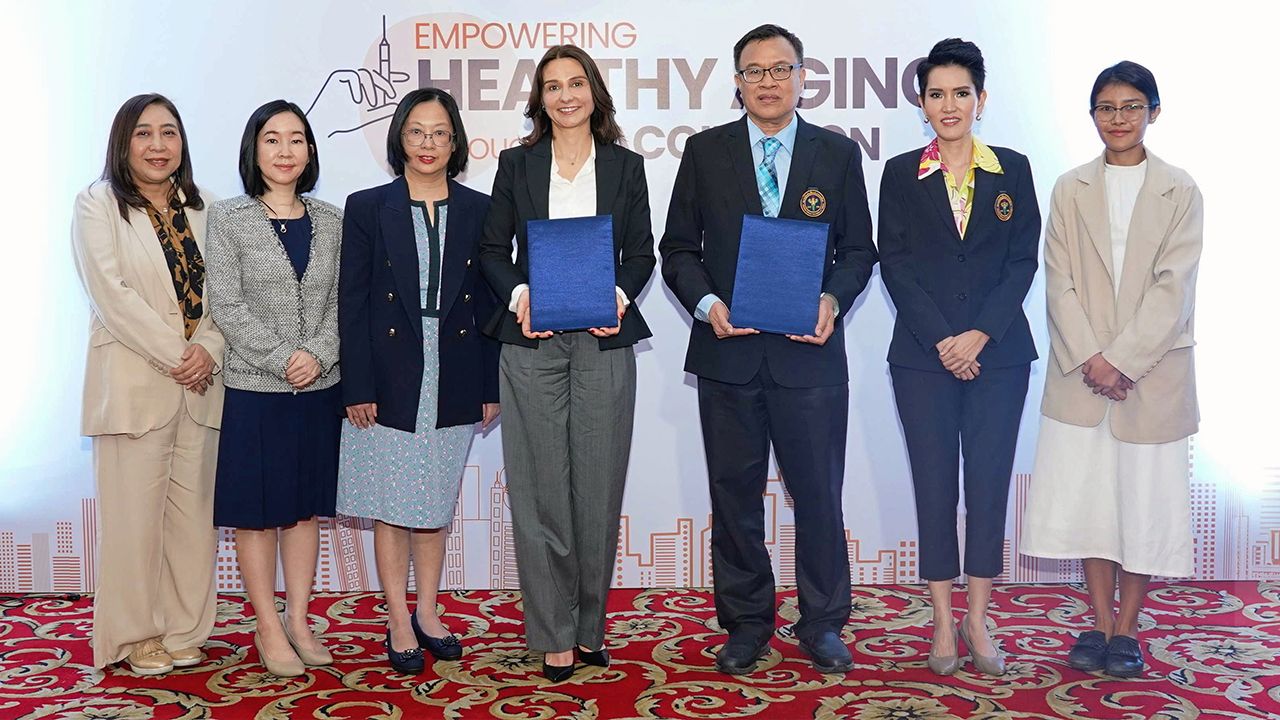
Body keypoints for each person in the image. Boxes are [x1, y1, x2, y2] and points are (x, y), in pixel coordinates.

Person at [658, 24, 877, 675]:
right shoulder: (705, 152)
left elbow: (859, 251)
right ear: (737, 81)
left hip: (809, 358)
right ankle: (747, 622)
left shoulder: (836, 156)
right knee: (735, 497)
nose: (768, 82)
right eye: (754, 71)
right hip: (728, 357)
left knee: (818, 496)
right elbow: (678, 250)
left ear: (802, 77)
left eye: (780, 69)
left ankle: (822, 621)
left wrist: (832, 301)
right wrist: (707, 306)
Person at [479, 44, 655, 683]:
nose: (565, 96)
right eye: (552, 87)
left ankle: (589, 628)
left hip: (604, 338)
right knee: (538, 489)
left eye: (575, 83)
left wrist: (616, 294)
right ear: (539, 99)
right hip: (532, 341)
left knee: (598, 490)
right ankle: (552, 632)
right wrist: (522, 296)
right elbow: (494, 250)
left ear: (593, 92)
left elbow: (642, 253)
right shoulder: (517, 164)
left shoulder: (627, 166)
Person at [1021, 61, 1202, 679]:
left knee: (1142, 505)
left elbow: (1173, 290)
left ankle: (1128, 629)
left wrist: (1122, 361)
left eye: (1130, 107)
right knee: (1090, 505)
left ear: (1154, 111)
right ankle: (1097, 623)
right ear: (1092, 114)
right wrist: (1094, 359)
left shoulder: (1181, 189)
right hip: (1082, 374)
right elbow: (1059, 282)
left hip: (1149, 376)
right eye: (1106, 107)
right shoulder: (1069, 188)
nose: (1117, 119)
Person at [877, 38, 1040, 677]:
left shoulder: (1014, 169)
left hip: (999, 358)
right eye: (937, 94)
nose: (949, 105)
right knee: (934, 484)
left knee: (990, 484)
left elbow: (1022, 260)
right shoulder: (898, 173)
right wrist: (945, 339)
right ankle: (942, 621)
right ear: (922, 102)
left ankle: (978, 617)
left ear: (981, 99)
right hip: (923, 357)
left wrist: (980, 336)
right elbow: (895, 260)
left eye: (961, 93)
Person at [338, 88, 501, 675]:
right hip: (387, 371)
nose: (427, 143)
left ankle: (429, 612)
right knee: (391, 503)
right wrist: (356, 384)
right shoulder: (366, 207)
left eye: (438, 132)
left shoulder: (481, 209)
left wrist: (491, 384)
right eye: (415, 131)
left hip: (455, 366)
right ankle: (397, 618)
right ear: (398, 139)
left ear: (454, 141)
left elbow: (487, 302)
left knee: (433, 501)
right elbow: (350, 303)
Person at [71, 93, 223, 675]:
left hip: (203, 385)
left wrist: (206, 349)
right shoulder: (98, 204)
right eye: (144, 134)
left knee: (192, 522)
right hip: (134, 385)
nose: (158, 146)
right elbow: (111, 295)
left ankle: (184, 629)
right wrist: (178, 354)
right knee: (132, 524)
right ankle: (137, 636)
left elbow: (227, 296)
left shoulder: (208, 206)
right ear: (123, 142)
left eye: (169, 133)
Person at [206, 100, 343, 678]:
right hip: (255, 388)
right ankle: (266, 625)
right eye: (272, 140)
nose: (285, 151)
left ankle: (299, 617)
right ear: (253, 149)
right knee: (259, 514)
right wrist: (283, 356)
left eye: (297, 140)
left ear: (310, 151)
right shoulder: (229, 217)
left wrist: (317, 355)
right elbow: (226, 304)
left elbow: (343, 301)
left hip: (318, 388)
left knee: (304, 510)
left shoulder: (334, 219)